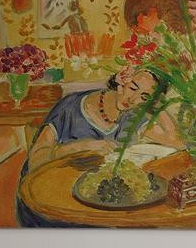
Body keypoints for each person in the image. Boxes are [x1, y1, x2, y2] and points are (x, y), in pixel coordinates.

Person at [16, 66, 182, 227]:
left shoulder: (134, 114)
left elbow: (176, 142)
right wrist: (78, 147)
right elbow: (35, 160)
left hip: (95, 204)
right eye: (133, 88)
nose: (133, 99)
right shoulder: (71, 106)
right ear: (122, 80)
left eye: (144, 97)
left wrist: (158, 105)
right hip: (49, 204)